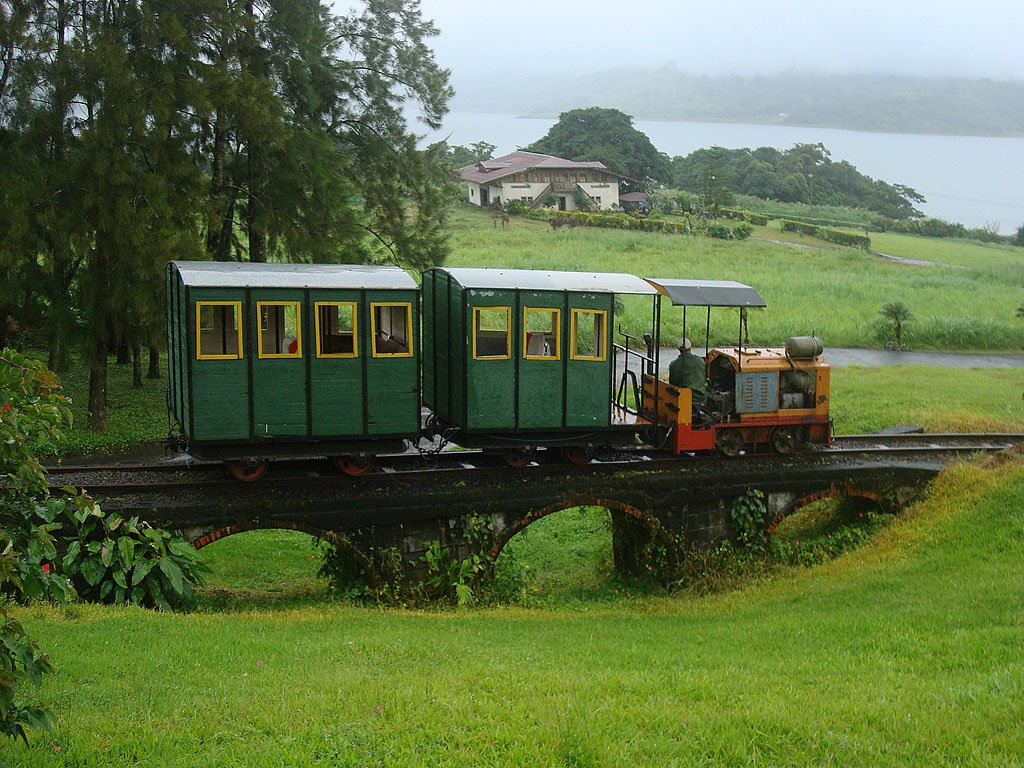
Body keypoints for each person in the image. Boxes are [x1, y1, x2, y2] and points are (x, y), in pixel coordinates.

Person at [668, 337, 707, 402]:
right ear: (690, 347)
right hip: (701, 397)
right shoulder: (701, 361)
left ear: (678, 349)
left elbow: (672, 384)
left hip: (685, 399)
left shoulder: (674, 364)